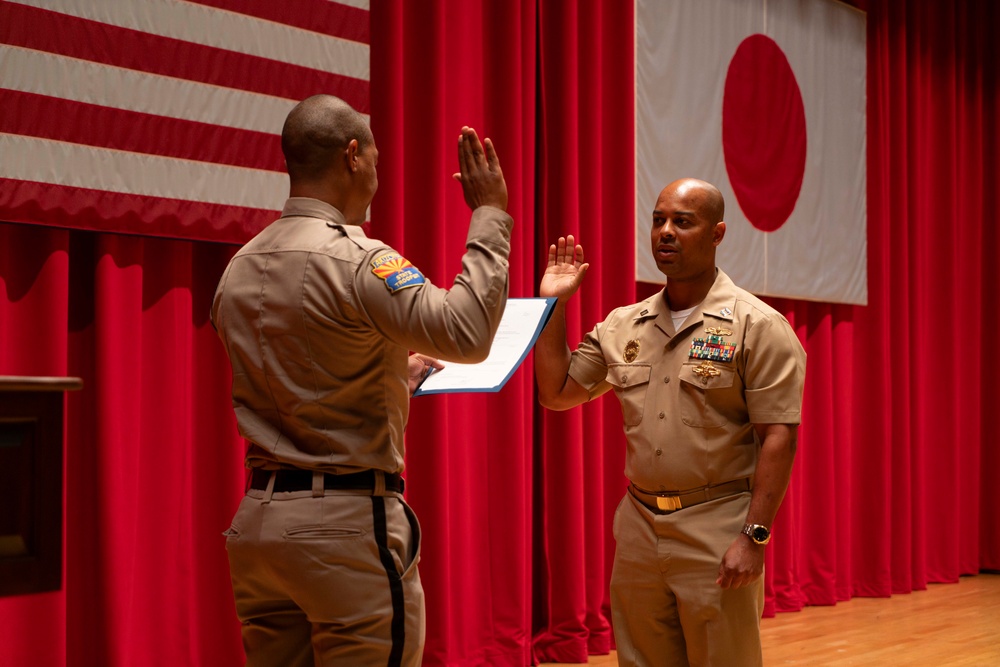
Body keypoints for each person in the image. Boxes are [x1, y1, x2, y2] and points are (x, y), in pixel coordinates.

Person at [211, 94, 511, 666]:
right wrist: (489, 215)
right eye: (375, 152)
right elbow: (467, 333)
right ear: (353, 155)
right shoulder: (358, 259)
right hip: (343, 525)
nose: (378, 165)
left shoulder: (241, 263)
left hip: (257, 525)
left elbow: (298, 366)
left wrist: (392, 373)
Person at [534, 178, 806, 666]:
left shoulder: (758, 326)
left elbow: (778, 437)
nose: (665, 232)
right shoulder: (623, 325)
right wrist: (553, 304)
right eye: (659, 220)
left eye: (683, 222)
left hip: (716, 524)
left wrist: (754, 536)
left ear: (717, 232)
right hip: (640, 526)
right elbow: (556, 394)